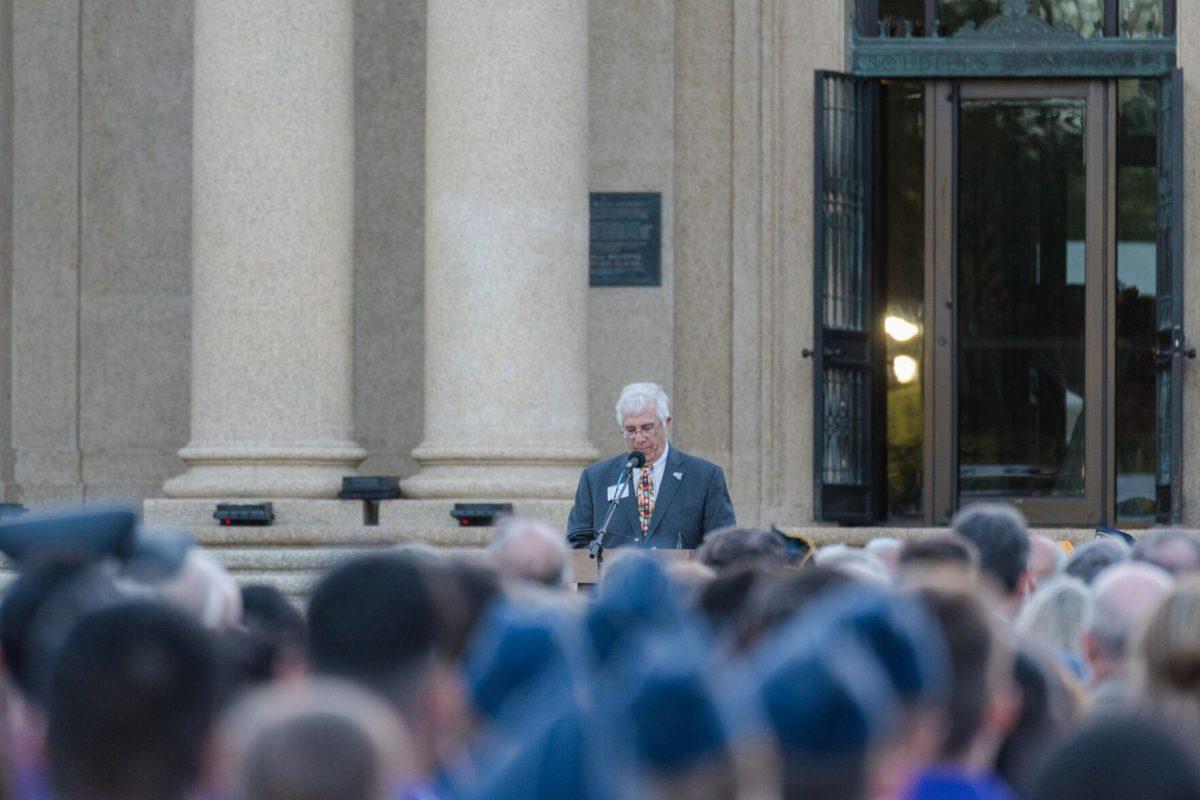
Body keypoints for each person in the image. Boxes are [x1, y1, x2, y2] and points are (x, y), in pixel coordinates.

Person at [567, 382, 735, 550]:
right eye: (631, 430)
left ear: (666, 423)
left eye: (647, 428)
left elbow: (723, 549)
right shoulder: (596, 478)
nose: (639, 438)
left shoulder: (705, 476)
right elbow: (576, 544)